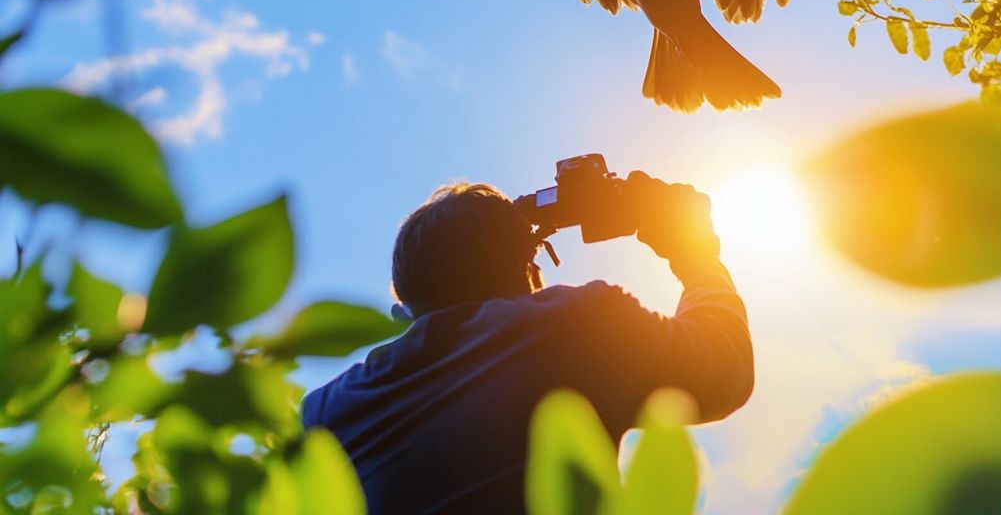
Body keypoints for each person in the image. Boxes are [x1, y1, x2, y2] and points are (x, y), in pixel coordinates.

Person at [301, 170, 753, 514]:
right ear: (525, 273)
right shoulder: (568, 322)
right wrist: (693, 251)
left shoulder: (323, 413)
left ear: (407, 302)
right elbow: (723, 368)